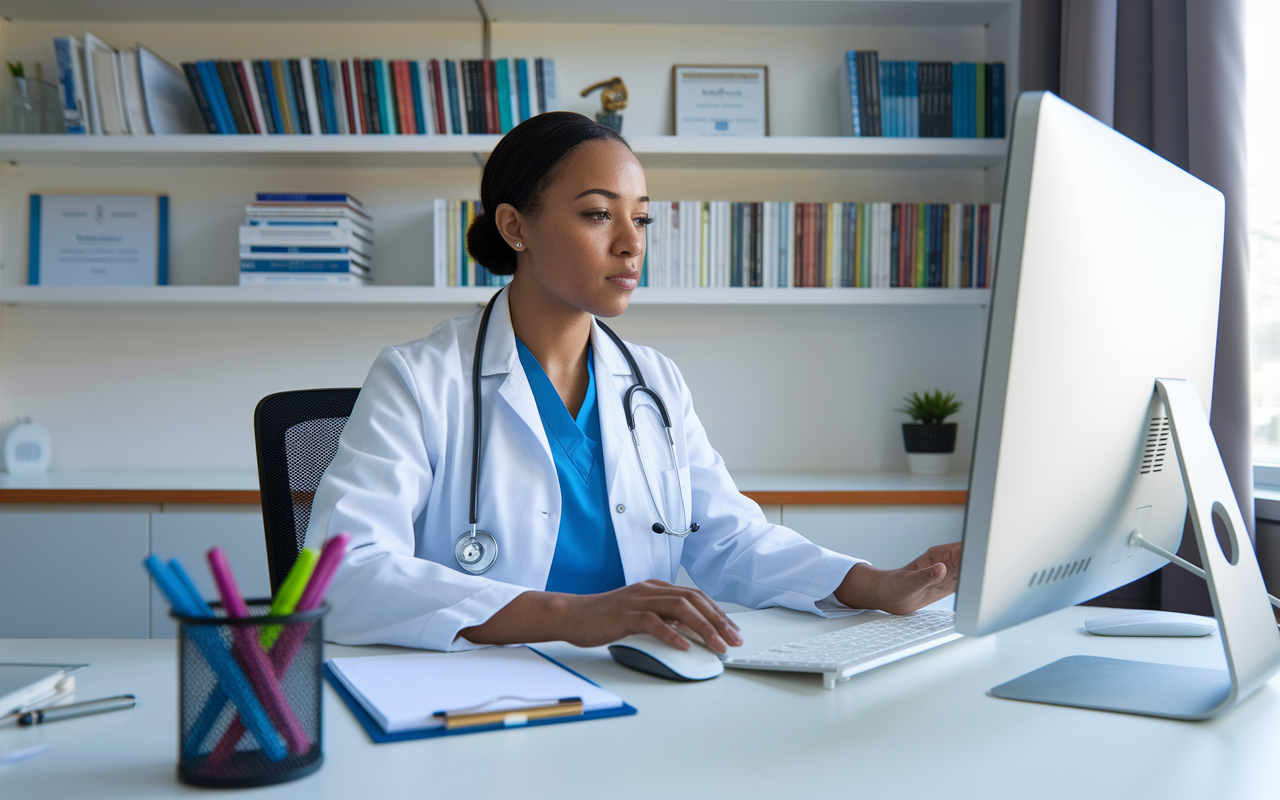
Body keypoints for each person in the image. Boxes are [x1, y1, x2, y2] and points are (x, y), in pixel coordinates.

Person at [305, 112, 961, 654]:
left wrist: (873, 584)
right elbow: (342, 574)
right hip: (480, 695)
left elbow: (730, 538)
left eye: (640, 219)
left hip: (639, 683)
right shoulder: (420, 378)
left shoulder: (654, 381)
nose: (631, 244)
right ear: (514, 227)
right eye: (598, 215)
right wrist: (570, 615)